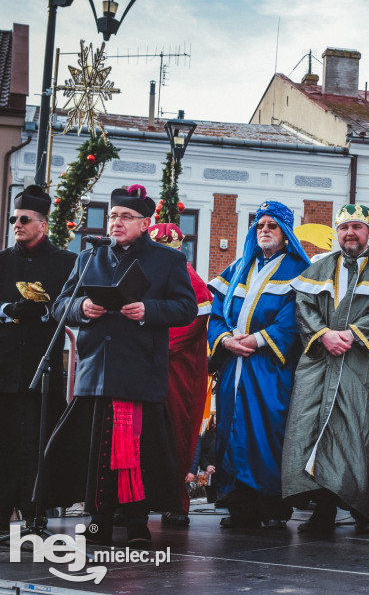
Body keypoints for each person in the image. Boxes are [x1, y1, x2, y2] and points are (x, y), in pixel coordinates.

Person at [38, 184, 198, 546]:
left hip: (140, 370)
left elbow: (186, 309)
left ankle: (138, 524)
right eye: (112, 216)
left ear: (145, 223)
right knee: (96, 452)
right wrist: (81, 309)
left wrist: (148, 310)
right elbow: (60, 305)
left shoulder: (168, 260)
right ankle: (98, 522)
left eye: (126, 217)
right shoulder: (89, 256)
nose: (116, 223)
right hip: (96, 370)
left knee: (136, 451)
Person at [282, 204, 369, 535]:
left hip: (362, 367)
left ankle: (362, 511)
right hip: (321, 365)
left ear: (368, 231)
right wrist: (324, 335)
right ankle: (323, 511)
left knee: (359, 434)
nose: (350, 233)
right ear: (336, 233)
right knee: (315, 434)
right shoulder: (319, 268)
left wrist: (352, 336)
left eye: (356, 227)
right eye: (343, 228)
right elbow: (304, 306)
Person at [208, 200, 310, 530]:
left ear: (286, 233)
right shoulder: (240, 267)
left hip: (269, 370)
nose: (264, 230)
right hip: (233, 369)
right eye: (260, 225)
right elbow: (216, 312)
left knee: (267, 434)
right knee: (229, 431)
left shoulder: (298, 272)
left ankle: (271, 506)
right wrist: (224, 339)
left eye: (272, 225)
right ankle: (238, 506)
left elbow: (294, 320)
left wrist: (257, 340)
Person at [0, 186, 77, 525]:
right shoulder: (2, 262)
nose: (17, 224)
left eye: (25, 219)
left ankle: (34, 514)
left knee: (37, 442)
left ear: (43, 225)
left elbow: (73, 307)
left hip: (41, 370)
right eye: (14, 219)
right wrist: (7, 309)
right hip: (3, 367)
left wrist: (46, 313)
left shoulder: (67, 263)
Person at [149, 222, 213, 527]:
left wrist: (150, 347)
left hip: (176, 374)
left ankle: (176, 501)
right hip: (147, 369)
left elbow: (192, 323)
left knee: (176, 434)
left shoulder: (189, 277)